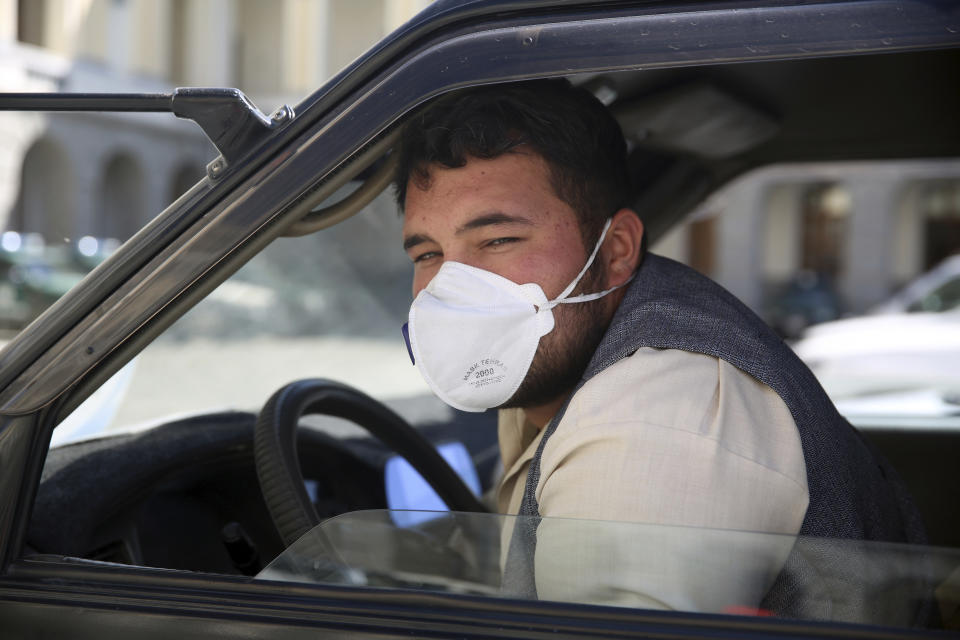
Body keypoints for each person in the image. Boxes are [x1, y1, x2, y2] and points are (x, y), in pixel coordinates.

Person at [393, 79, 928, 620]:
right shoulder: (548, 369)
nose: (451, 286)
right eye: (428, 254)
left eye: (499, 240)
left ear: (618, 249)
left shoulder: (652, 418)